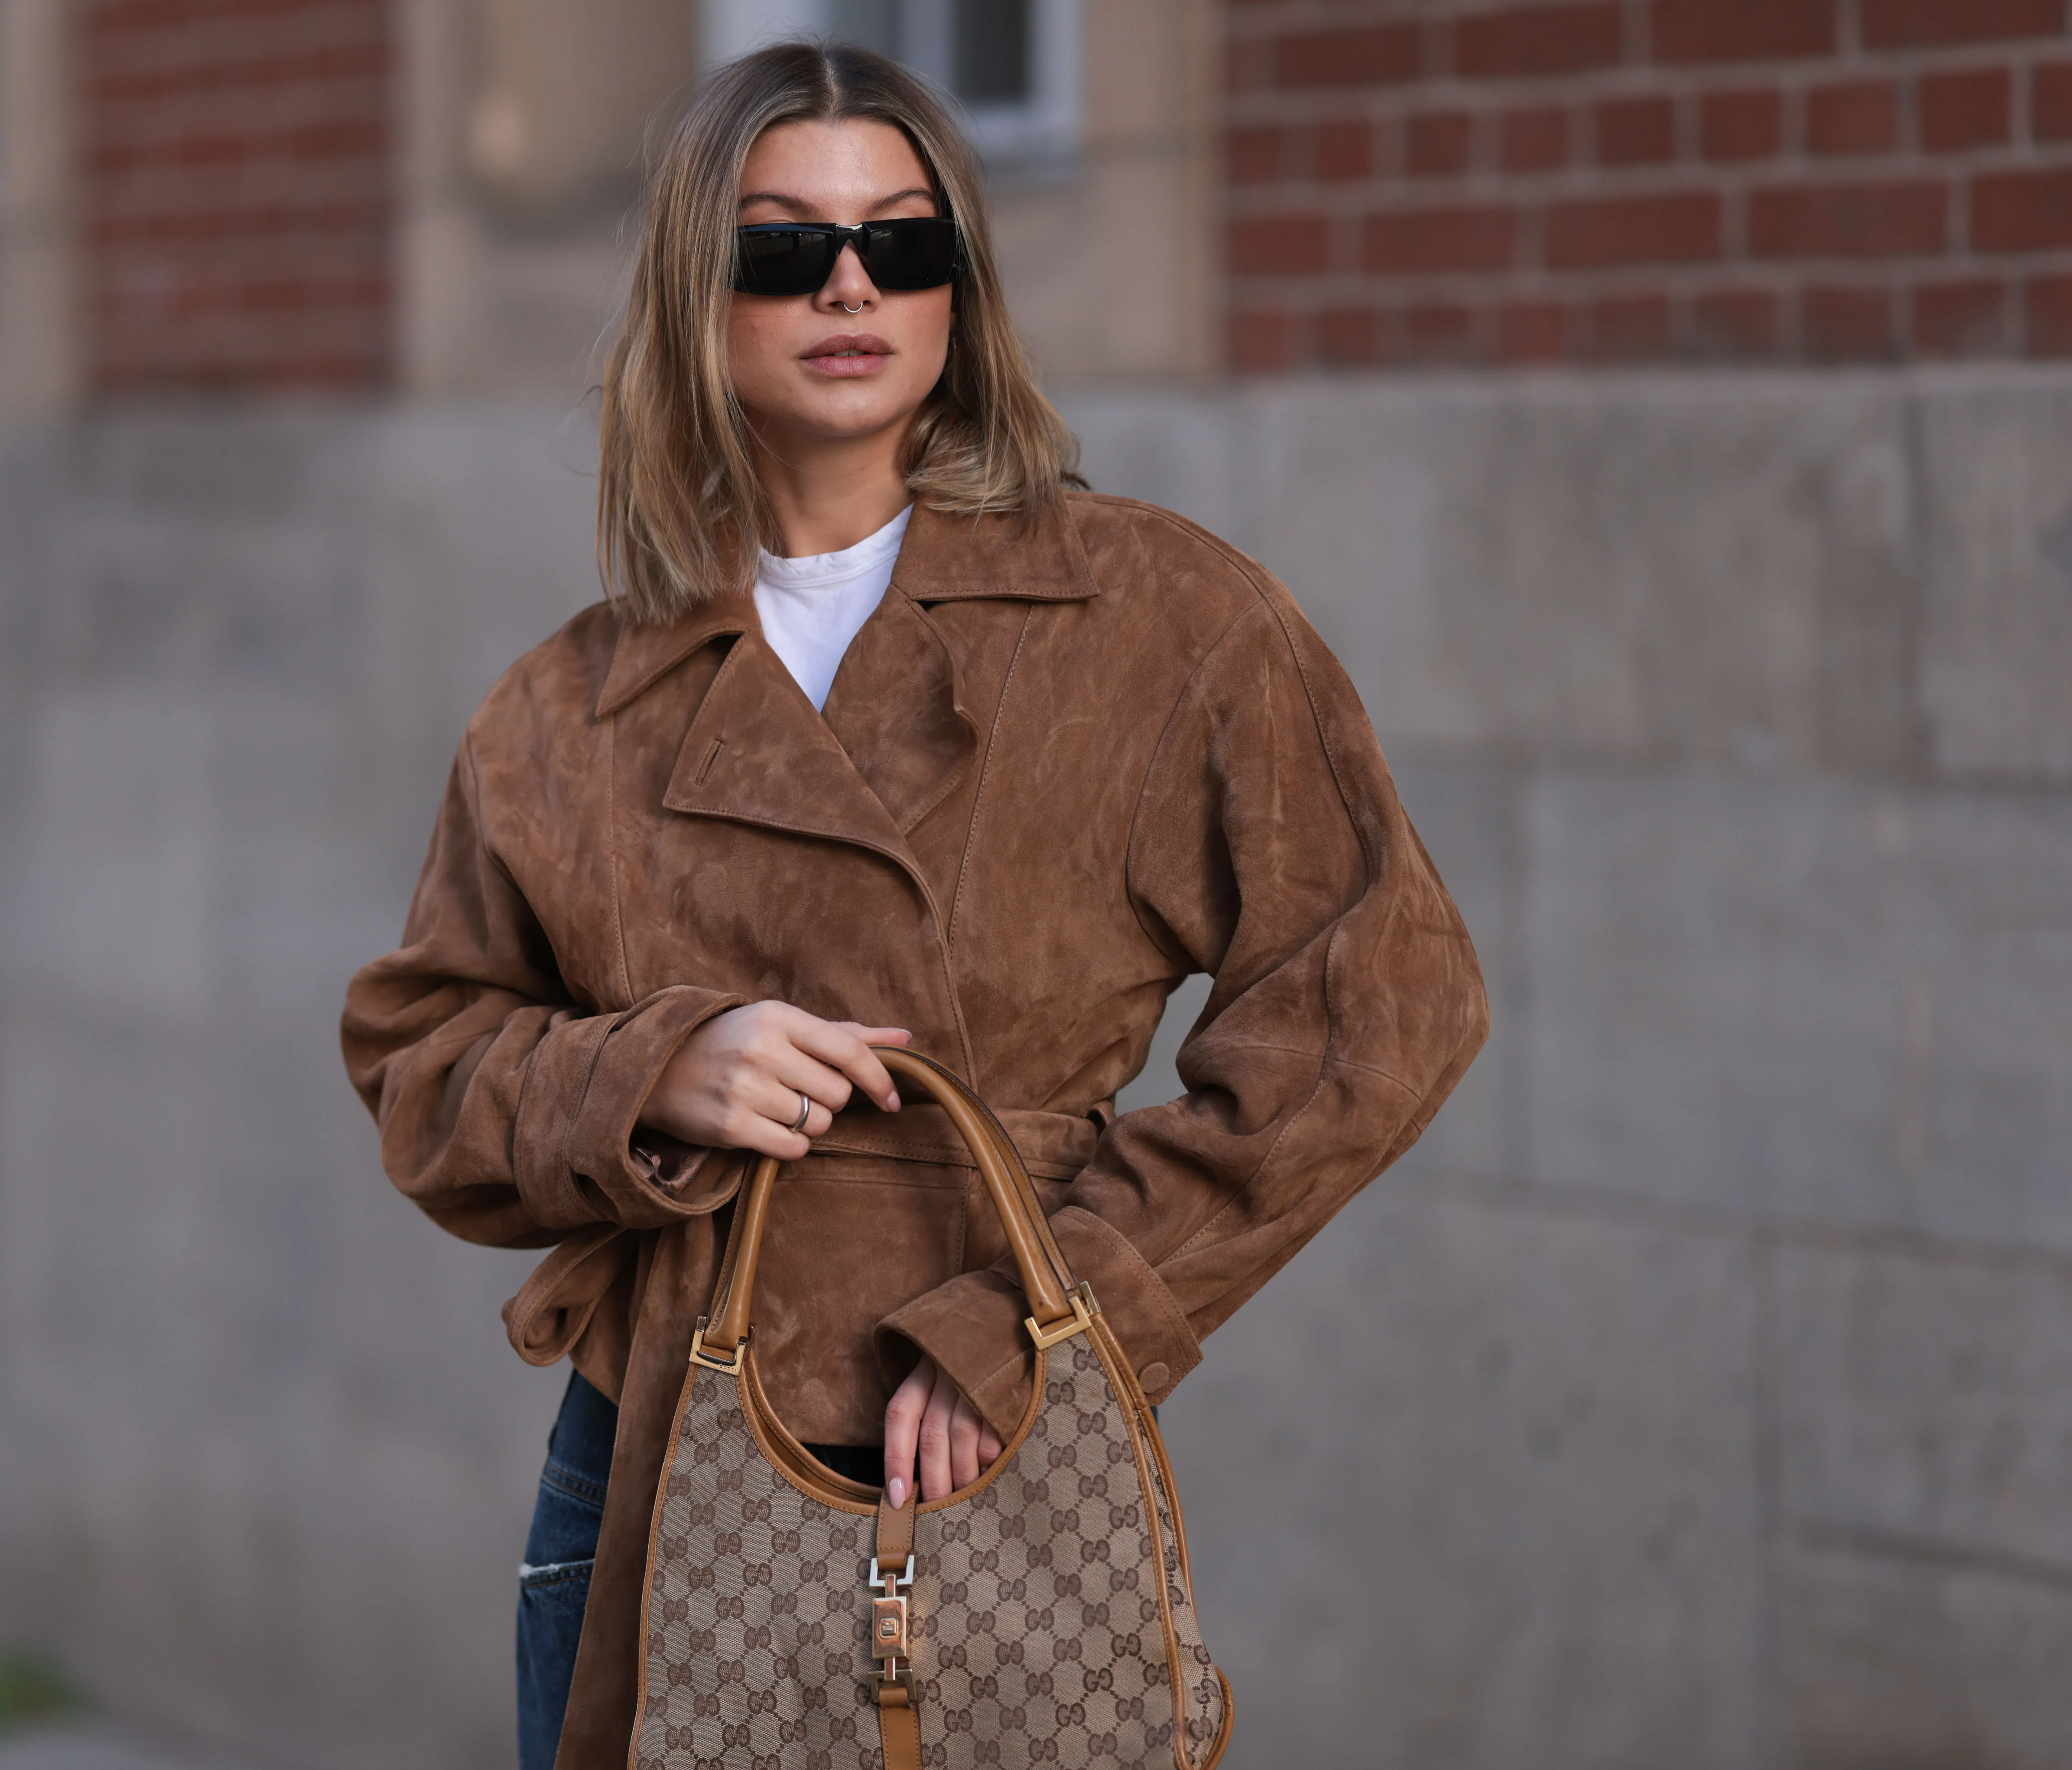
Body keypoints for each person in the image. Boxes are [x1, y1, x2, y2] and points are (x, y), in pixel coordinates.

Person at [341, 40, 1489, 1770]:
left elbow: (1379, 1002)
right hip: (657, 1464)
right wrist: (650, 1069)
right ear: (690, 295)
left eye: (904, 237)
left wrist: (1044, 1318)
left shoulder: (1151, 615)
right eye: (784, 249)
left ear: (963, 284)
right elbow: (422, 1064)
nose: (852, 283)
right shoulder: (563, 706)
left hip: (987, 1443)